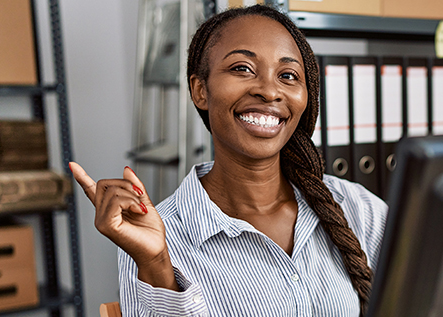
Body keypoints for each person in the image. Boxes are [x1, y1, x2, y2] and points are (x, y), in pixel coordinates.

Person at [69, 5, 387, 316]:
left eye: (288, 75)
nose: (270, 91)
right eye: (242, 68)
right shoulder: (157, 238)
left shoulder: (359, 208)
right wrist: (156, 266)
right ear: (200, 91)